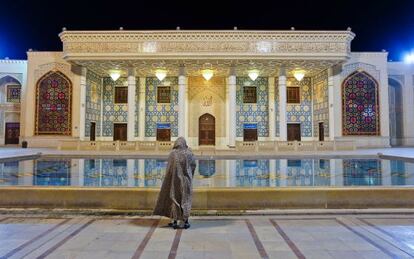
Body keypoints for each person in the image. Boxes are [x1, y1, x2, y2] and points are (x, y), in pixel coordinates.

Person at [153, 137, 196, 229]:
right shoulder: (189, 153)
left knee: (175, 200)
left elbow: (169, 169)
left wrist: (168, 180)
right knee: (186, 200)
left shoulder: (173, 154)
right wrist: (189, 177)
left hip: (174, 181)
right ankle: (186, 221)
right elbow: (193, 166)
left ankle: (175, 221)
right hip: (186, 182)